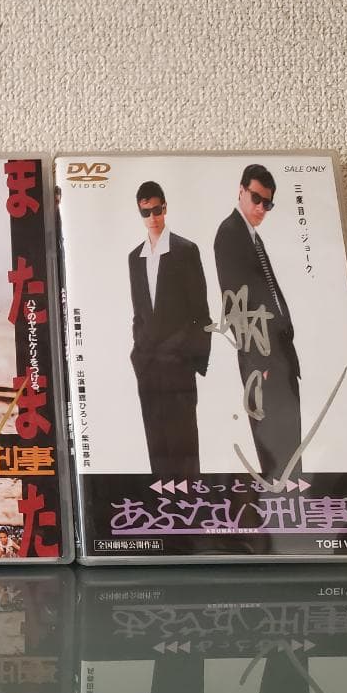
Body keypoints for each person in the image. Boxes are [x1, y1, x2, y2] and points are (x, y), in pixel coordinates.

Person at [214, 165, 302, 479]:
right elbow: (234, 305)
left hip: (279, 353)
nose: (262, 208)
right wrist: (259, 359)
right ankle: (283, 498)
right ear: (241, 191)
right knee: (276, 449)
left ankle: (295, 499)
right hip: (261, 357)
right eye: (256, 199)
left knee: (290, 446)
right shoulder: (229, 235)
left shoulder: (252, 237)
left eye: (268, 203)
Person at [128, 181, 212, 477]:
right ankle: (162, 493)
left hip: (179, 363)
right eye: (146, 212)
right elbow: (139, 312)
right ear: (140, 212)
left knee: (184, 439)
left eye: (157, 209)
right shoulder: (135, 258)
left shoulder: (185, 250)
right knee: (156, 438)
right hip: (148, 364)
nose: (152, 217)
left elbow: (201, 312)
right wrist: (138, 355)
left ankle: (190, 495)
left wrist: (192, 358)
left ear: (165, 207)